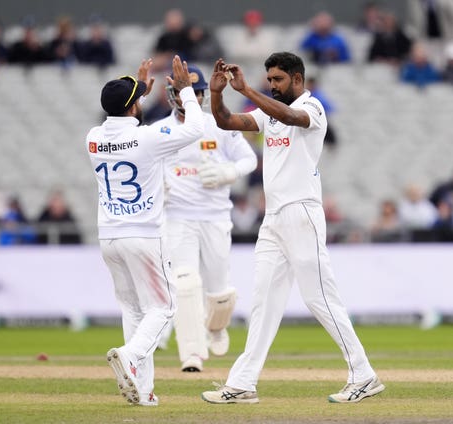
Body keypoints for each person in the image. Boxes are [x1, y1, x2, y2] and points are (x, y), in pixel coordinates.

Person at [200, 52, 384, 404]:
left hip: (302, 213)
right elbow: (225, 122)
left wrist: (249, 91)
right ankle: (242, 383)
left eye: (278, 80)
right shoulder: (269, 113)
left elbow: (290, 116)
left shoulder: (312, 108)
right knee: (263, 302)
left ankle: (363, 374)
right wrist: (218, 93)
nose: (272, 84)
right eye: (269, 79)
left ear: (297, 79)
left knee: (320, 298)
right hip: (273, 219)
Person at [87, 55, 204, 406]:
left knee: (134, 310)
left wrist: (137, 91)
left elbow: (122, 117)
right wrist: (185, 92)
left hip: (109, 236)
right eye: (137, 99)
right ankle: (132, 356)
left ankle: (144, 390)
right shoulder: (149, 138)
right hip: (143, 235)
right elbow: (196, 129)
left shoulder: (92, 138)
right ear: (134, 107)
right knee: (165, 308)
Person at [154, 64, 257, 372]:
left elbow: (249, 159)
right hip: (178, 217)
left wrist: (229, 172)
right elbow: (145, 164)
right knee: (184, 283)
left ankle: (215, 327)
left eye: (200, 93)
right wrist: (158, 186)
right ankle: (192, 355)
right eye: (189, 92)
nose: (196, 98)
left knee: (219, 291)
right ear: (173, 96)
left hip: (215, 217)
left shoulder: (218, 125)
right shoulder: (162, 130)